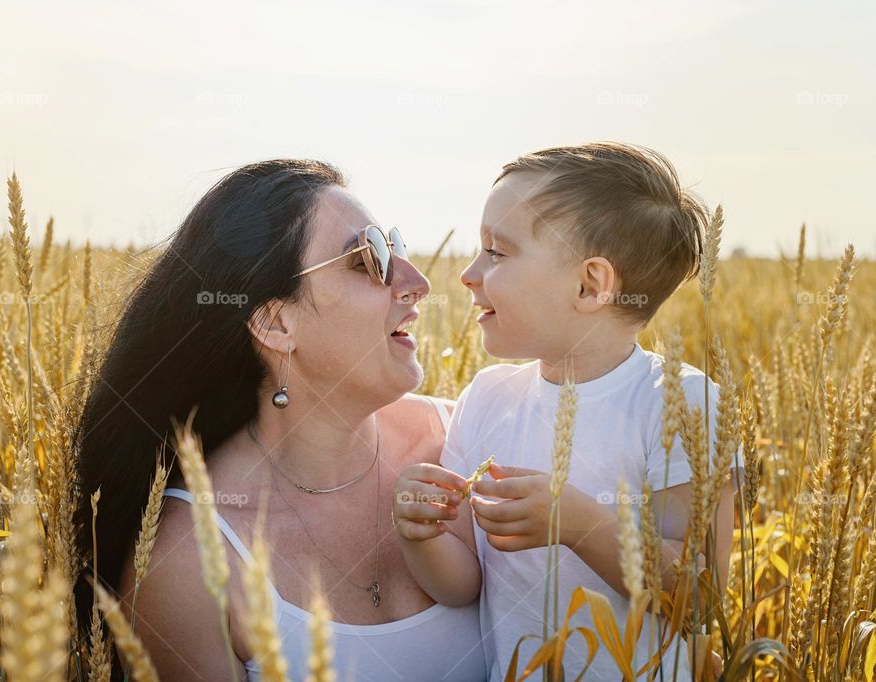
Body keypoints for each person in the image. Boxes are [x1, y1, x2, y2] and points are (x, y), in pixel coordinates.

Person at [74, 159, 487, 680]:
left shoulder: (470, 441)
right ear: (275, 322)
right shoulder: (190, 561)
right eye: (370, 259)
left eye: (397, 246)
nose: (416, 282)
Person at [393, 143, 741, 681]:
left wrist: (578, 523)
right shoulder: (487, 397)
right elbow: (463, 586)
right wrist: (424, 534)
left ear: (590, 285)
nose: (468, 273)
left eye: (497, 252)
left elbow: (699, 599)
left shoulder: (678, 404)